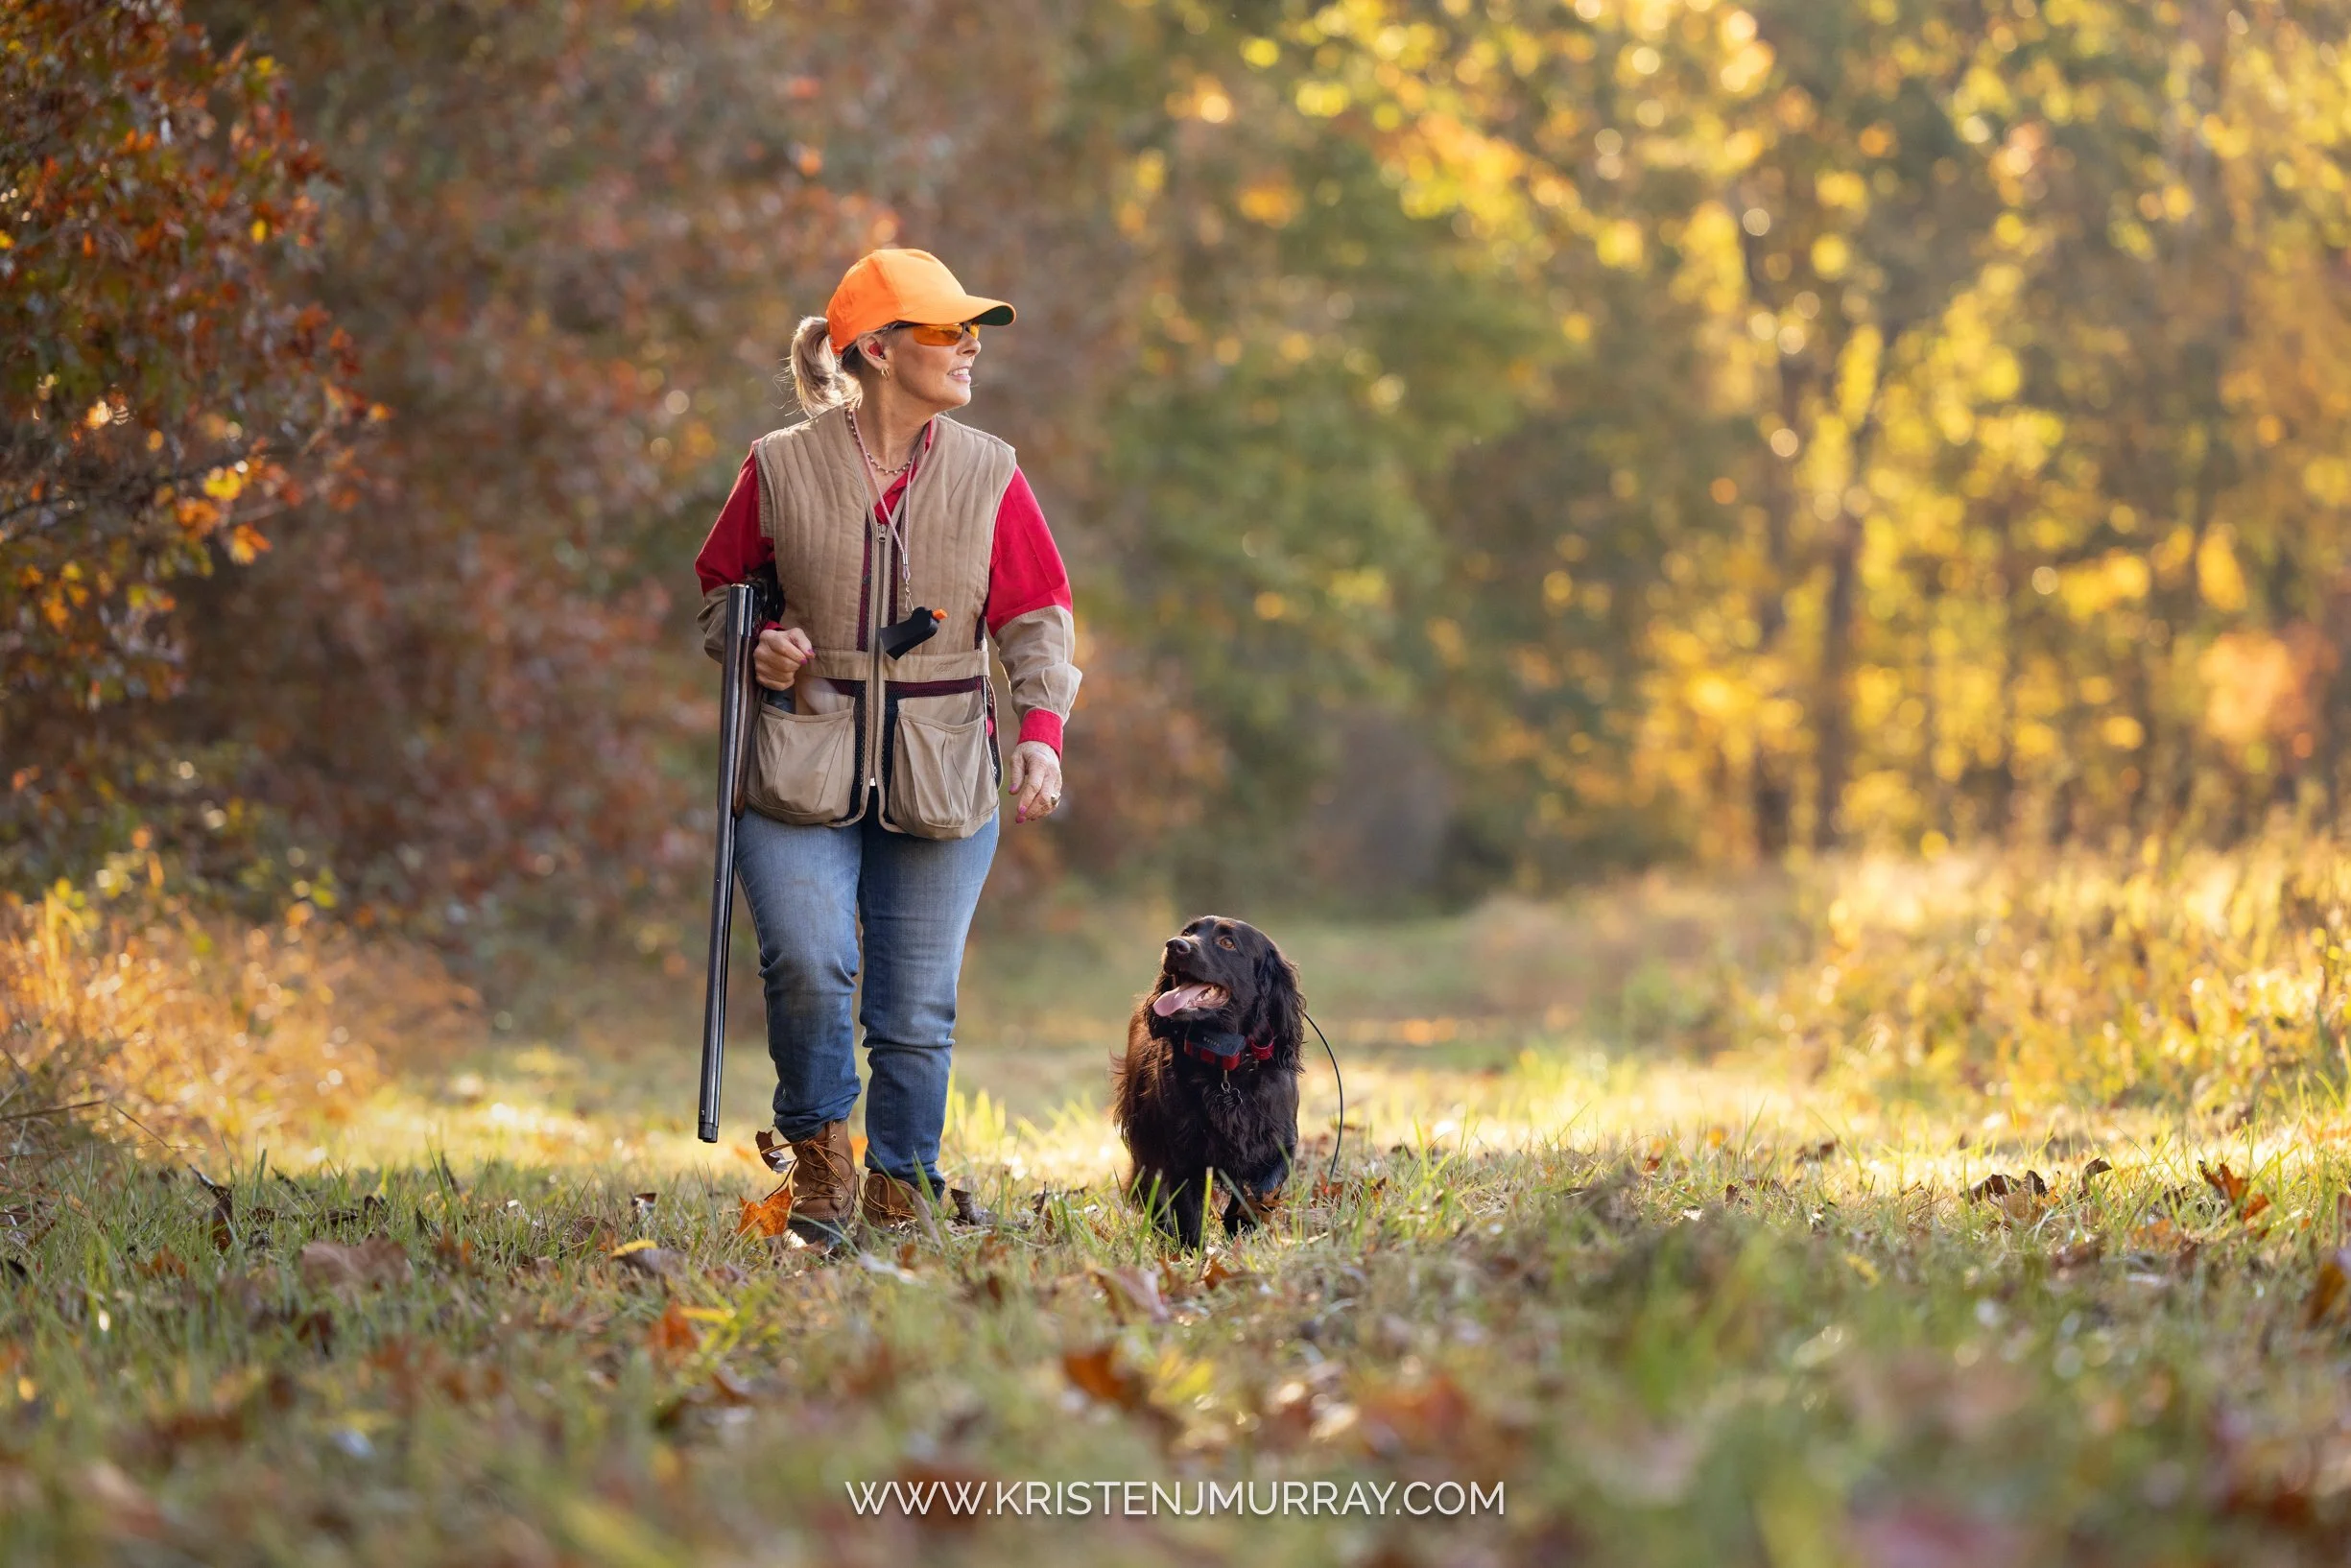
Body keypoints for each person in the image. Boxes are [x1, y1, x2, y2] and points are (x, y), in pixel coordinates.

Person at [693, 248, 1080, 1245]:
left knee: (913, 1013)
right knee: (809, 961)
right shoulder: (777, 464)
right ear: (874, 348)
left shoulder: (991, 469)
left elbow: (1037, 615)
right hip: (796, 762)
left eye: (972, 331)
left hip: (946, 768)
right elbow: (720, 596)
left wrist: (1039, 733)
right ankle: (821, 1176)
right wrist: (758, 641)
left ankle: (900, 1198)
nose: (968, 349)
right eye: (946, 331)